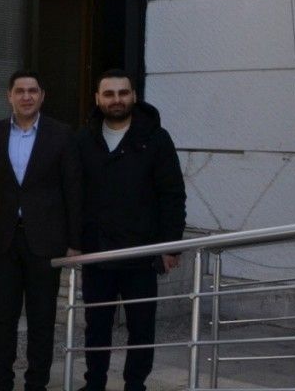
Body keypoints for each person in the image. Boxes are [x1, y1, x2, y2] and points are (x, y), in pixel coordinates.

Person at [77, 69, 186, 391]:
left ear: (134, 96)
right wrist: (74, 241)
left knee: (141, 327)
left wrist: (170, 246)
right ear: (98, 99)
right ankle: (94, 384)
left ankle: (135, 385)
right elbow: (73, 193)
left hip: (142, 253)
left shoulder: (156, 139)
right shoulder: (83, 139)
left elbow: (172, 195)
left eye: (123, 93)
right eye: (109, 94)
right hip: (97, 253)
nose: (117, 100)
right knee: (96, 325)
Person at [0, 71, 81, 391]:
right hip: (4, 239)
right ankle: (2, 382)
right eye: (20, 91)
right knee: (3, 318)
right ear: (9, 96)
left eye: (32, 91)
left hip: (46, 241)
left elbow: (73, 189)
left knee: (42, 319)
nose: (26, 96)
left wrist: (74, 241)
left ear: (42, 96)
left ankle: (36, 383)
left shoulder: (61, 134)